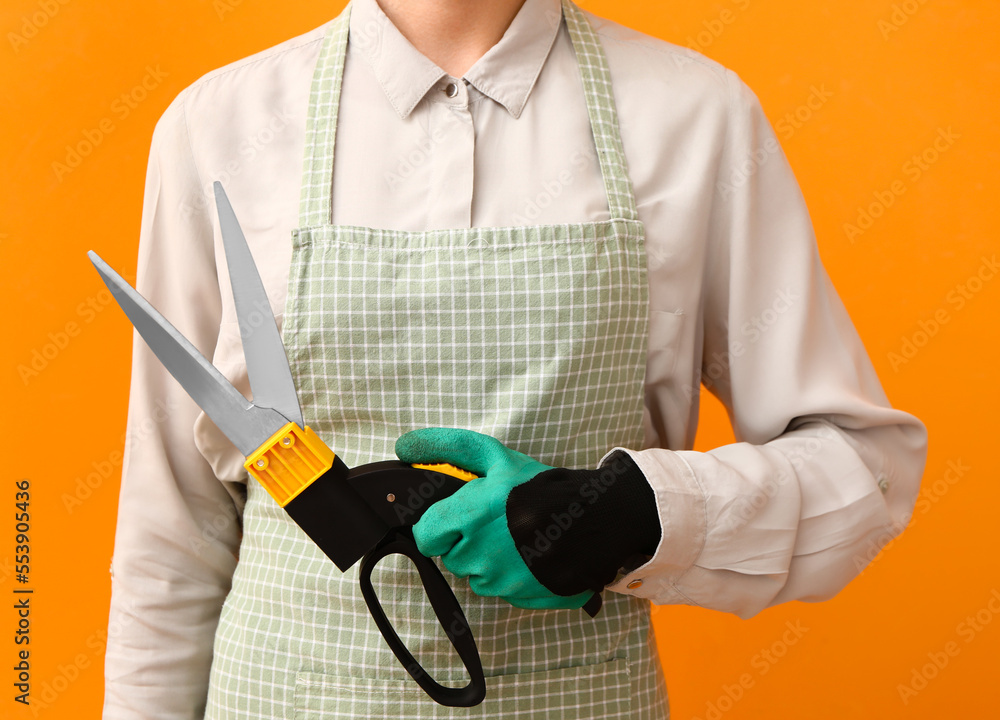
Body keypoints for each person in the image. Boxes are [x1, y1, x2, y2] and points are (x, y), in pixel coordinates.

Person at [102, 0, 928, 717]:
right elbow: (171, 530)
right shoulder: (219, 128)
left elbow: (866, 474)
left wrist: (638, 515)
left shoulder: (695, 117)